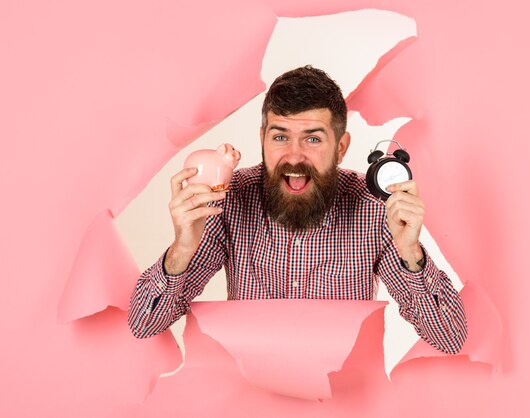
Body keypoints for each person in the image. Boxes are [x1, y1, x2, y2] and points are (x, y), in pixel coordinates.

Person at [128, 66, 467, 354]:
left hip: (341, 401)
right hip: (250, 399)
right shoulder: (229, 202)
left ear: (341, 148)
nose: (293, 155)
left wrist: (411, 253)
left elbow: (449, 338)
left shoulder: (375, 209)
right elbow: (144, 324)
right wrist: (181, 250)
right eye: (280, 138)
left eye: (313, 139)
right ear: (262, 139)